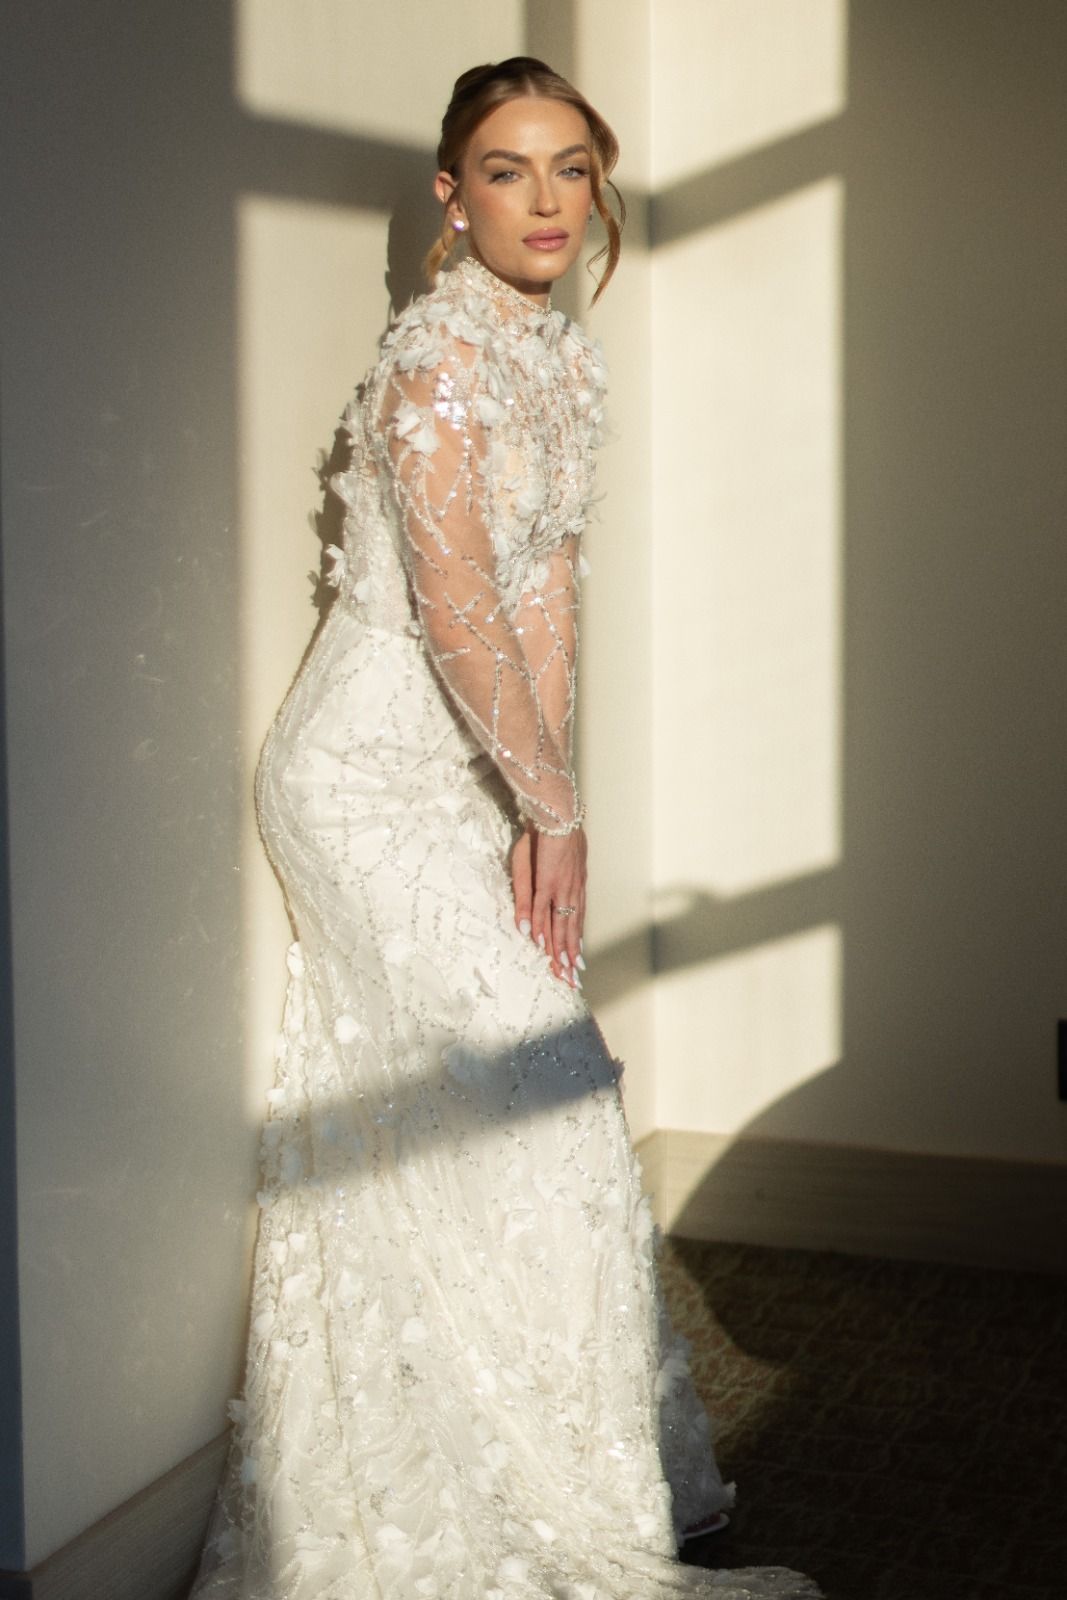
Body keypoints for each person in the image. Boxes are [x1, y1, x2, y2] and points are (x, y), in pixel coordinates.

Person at [191, 57, 819, 1600]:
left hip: (474, 778)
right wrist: (549, 806)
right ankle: (496, 1495)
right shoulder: (436, 361)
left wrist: (552, 808)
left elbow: (545, 605)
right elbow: (457, 598)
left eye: (569, 170)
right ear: (449, 194)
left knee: (503, 1124)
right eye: (505, 169)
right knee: (539, 1109)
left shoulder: (554, 360)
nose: (544, 201)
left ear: (597, 190)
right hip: (359, 787)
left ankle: (547, 1465)